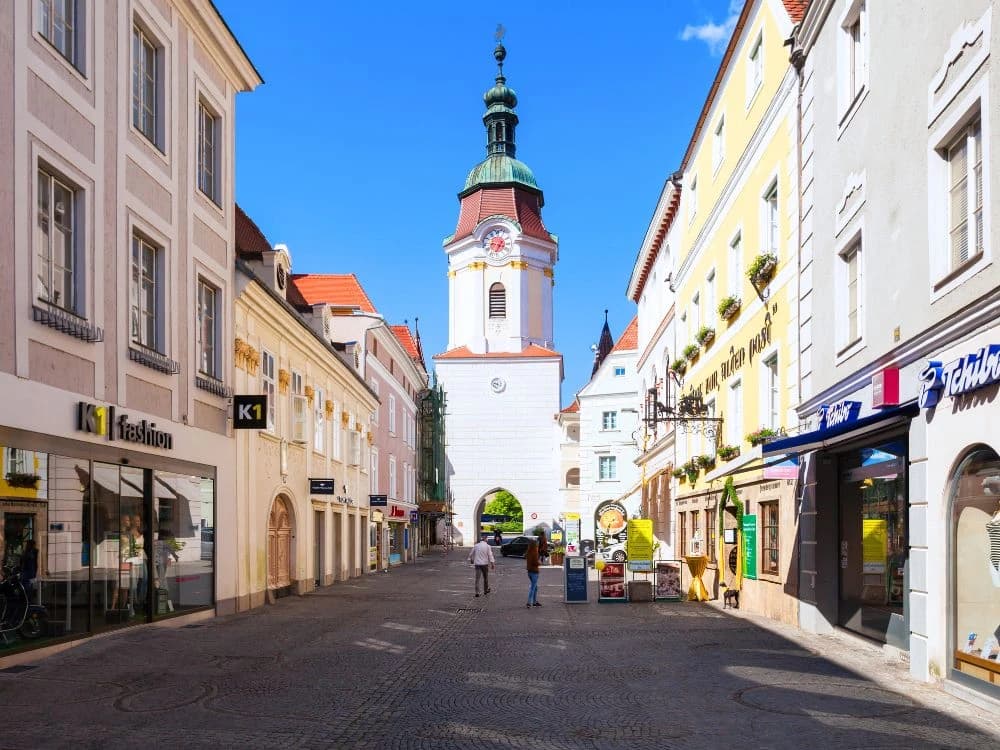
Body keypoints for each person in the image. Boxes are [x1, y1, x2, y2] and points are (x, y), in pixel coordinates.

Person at [526, 540, 541, 608]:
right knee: (533, 587)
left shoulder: (528, 552)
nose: (537, 545)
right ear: (535, 545)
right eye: (536, 544)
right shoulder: (534, 553)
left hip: (529, 572)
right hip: (534, 572)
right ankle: (529, 602)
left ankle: (534, 602)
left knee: (535, 587)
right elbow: (535, 562)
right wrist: (539, 563)